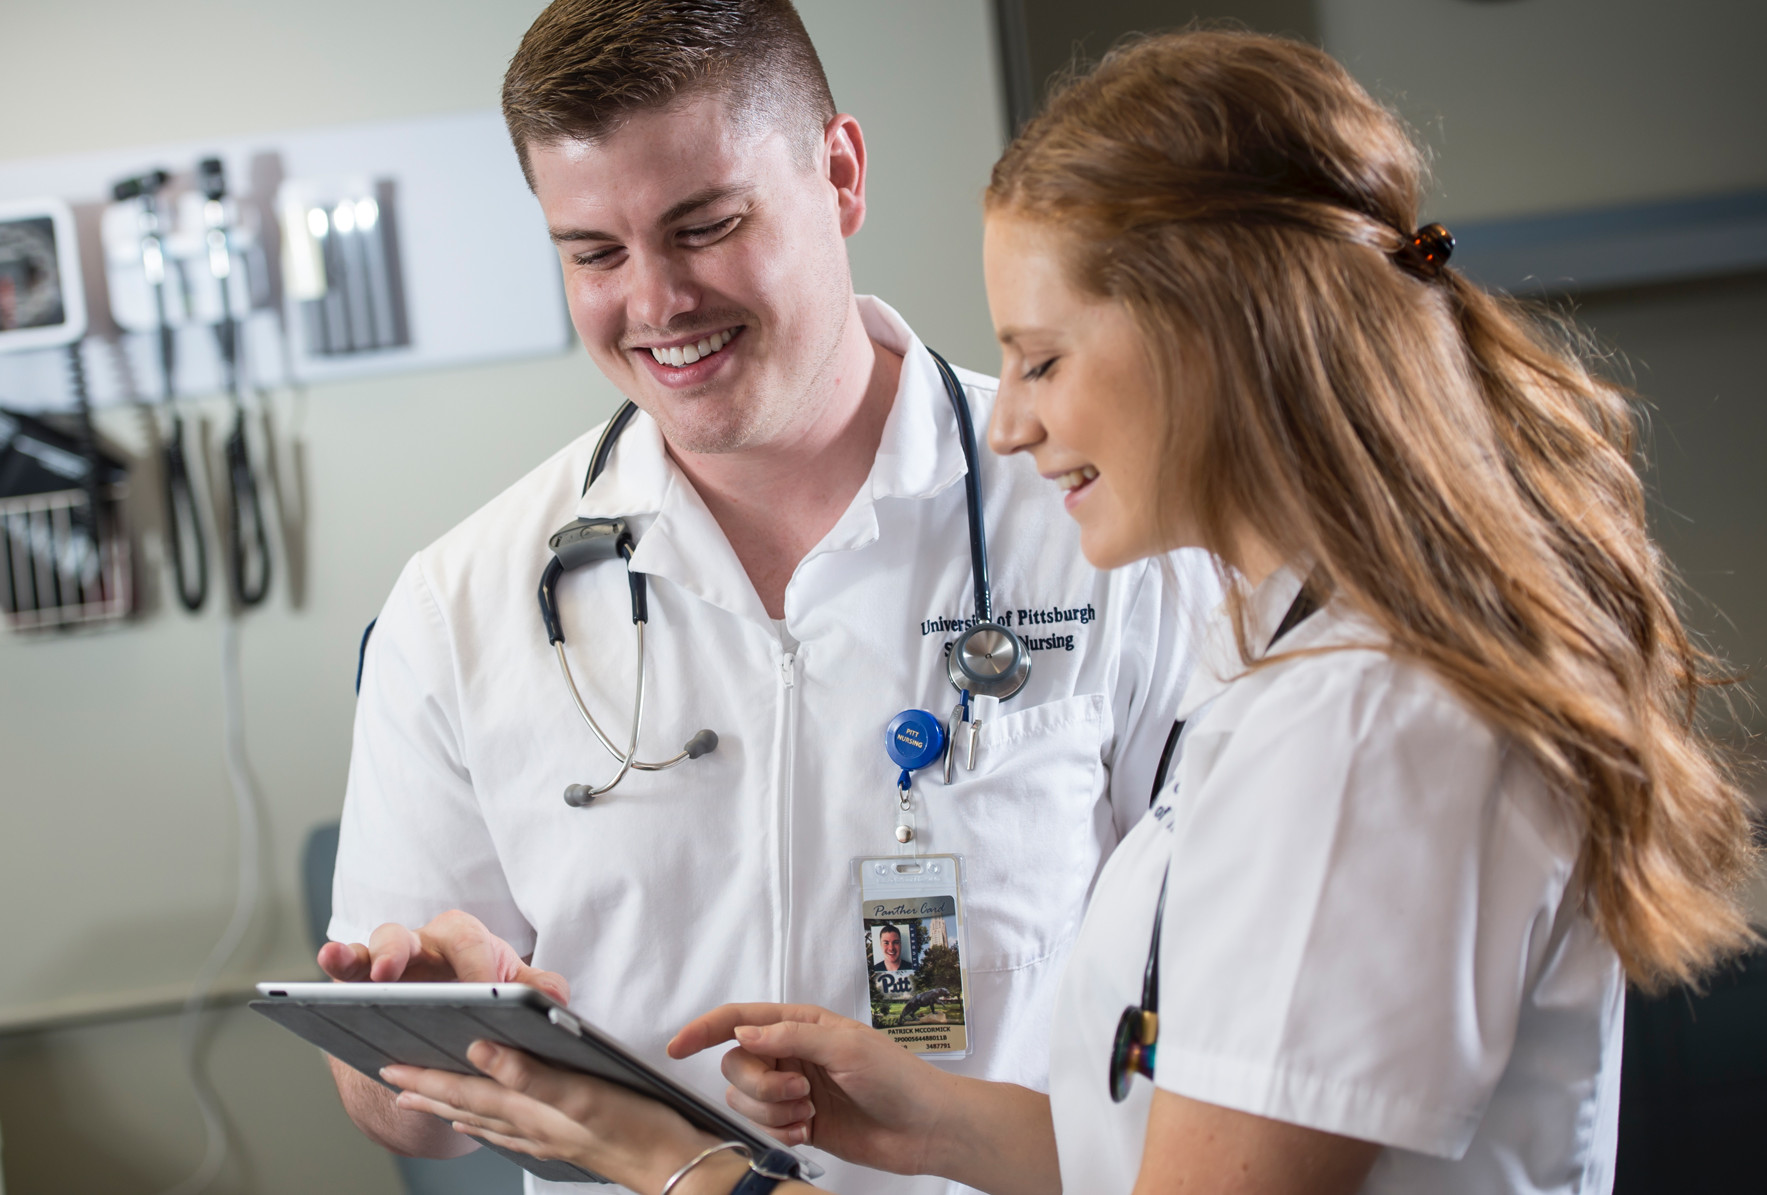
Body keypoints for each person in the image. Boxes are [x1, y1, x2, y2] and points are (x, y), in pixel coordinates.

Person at [369, 29, 1761, 1195]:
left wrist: (669, 1159)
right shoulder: (1293, 662)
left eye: (1039, 357)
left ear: (1212, 335)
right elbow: (1173, 1123)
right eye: (592, 250)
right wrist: (928, 1112)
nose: (1012, 419)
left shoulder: (1353, 720)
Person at [317, 4, 1207, 1192]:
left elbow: (1235, 1009)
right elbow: (400, 1119)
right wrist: (431, 1033)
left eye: (706, 226)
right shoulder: (457, 605)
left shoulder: (1107, 520)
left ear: (838, 173)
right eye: (592, 252)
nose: (656, 303)